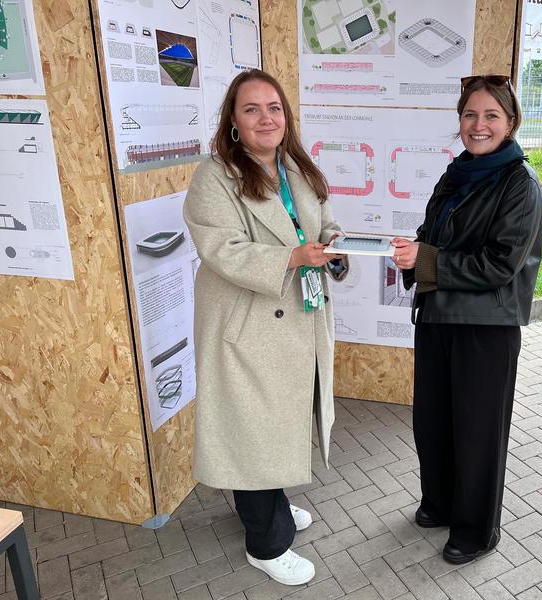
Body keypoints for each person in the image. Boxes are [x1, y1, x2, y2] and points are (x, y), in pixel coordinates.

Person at [183, 69, 346, 586]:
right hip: (246, 323)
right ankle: (266, 544)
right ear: (233, 121)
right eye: (251, 109)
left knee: (274, 424)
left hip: (295, 313)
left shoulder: (294, 166)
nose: (265, 118)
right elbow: (221, 249)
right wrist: (293, 257)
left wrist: (335, 245)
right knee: (251, 429)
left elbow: (322, 222)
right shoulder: (215, 177)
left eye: (274, 107)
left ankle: (269, 507)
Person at [391, 74, 542, 565]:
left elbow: (501, 264)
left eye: (491, 116)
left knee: (479, 431)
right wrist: (411, 250)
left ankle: (477, 530)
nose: (478, 125)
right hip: (438, 315)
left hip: (486, 328)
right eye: (470, 115)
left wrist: (428, 260)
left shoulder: (522, 185)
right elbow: (431, 229)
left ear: (511, 123)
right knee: (432, 422)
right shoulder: (456, 173)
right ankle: (439, 504)